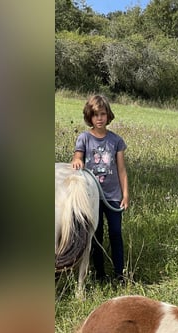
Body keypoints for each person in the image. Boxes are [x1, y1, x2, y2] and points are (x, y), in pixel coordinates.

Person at [71, 94, 129, 283]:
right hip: (92, 197)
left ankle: (120, 273)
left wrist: (125, 194)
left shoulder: (116, 141)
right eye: (95, 115)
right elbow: (77, 158)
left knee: (115, 233)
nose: (99, 118)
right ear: (89, 117)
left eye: (103, 114)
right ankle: (100, 274)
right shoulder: (84, 138)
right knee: (96, 236)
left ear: (108, 115)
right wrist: (78, 160)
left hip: (112, 196)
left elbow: (121, 170)